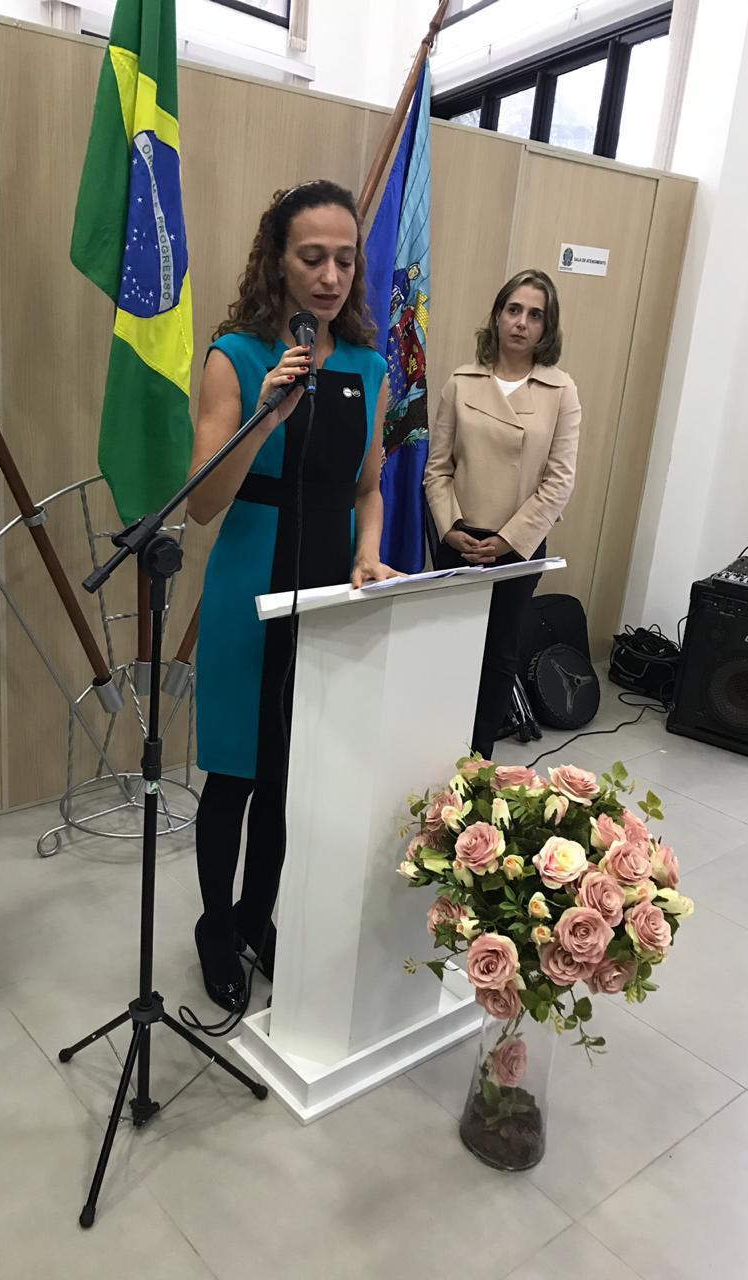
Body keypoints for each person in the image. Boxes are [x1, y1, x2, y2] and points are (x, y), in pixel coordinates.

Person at [187, 179, 398, 1011]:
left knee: (288, 776)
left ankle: (256, 917)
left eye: (345, 259)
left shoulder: (370, 367)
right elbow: (204, 502)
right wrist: (268, 414)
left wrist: (370, 553)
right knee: (235, 774)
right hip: (248, 583)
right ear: (277, 261)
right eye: (312, 257)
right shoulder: (235, 356)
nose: (331, 275)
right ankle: (214, 926)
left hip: (328, 588)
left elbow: (368, 489)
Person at [424, 268, 581, 760]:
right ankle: (431, 755)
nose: (521, 323)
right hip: (459, 540)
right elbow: (437, 469)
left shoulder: (561, 391)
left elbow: (559, 480)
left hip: (517, 546)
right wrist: (451, 529)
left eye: (535, 315)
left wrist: (509, 540)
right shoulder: (461, 381)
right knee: (449, 651)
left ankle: (477, 761)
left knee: (498, 654)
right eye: (513, 310)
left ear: (547, 327)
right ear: (496, 315)